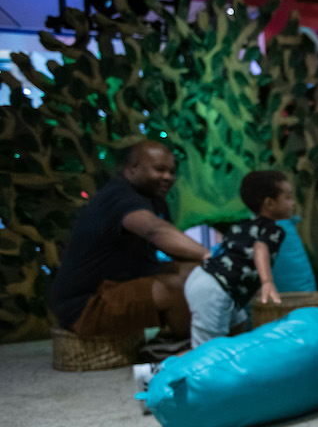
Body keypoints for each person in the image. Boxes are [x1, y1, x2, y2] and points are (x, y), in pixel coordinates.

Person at [50, 140, 210, 342]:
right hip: (86, 305)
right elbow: (155, 230)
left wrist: (208, 265)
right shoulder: (119, 197)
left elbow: (173, 248)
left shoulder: (153, 198)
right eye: (159, 170)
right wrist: (211, 255)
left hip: (119, 285)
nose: (168, 177)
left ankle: (179, 335)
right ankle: (185, 347)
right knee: (180, 286)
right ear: (133, 168)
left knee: (196, 273)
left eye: (172, 171)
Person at [183, 170, 295, 347]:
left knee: (239, 323)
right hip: (215, 287)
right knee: (207, 352)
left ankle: (234, 365)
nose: (292, 203)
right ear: (270, 203)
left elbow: (237, 254)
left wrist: (256, 283)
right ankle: (156, 369)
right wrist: (267, 281)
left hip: (206, 279)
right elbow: (260, 248)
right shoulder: (273, 230)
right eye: (288, 197)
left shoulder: (243, 225)